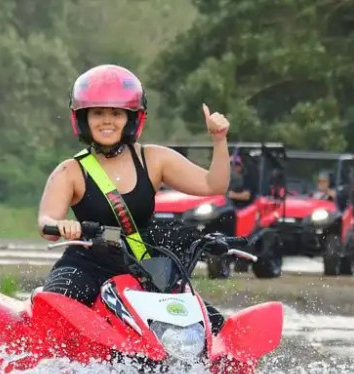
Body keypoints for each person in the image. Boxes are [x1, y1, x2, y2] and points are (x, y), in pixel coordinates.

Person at [37, 64, 231, 332]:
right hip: (86, 266)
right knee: (55, 308)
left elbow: (214, 184)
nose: (107, 120)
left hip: (145, 268)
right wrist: (62, 226)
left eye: (116, 113)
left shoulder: (153, 159)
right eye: (98, 113)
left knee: (214, 326)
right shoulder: (70, 171)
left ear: (132, 119)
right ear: (83, 119)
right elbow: (46, 222)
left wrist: (219, 140)